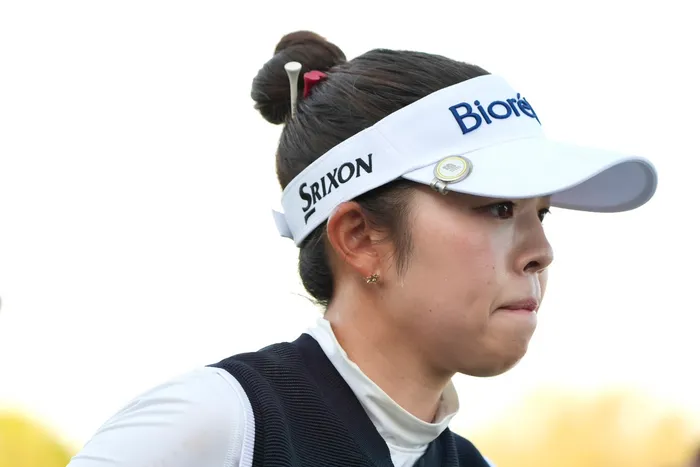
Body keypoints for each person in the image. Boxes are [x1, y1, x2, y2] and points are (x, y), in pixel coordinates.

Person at [66, 31, 658, 467]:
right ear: (358, 238)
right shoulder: (219, 425)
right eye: (498, 207)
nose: (541, 252)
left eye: (541, 213)